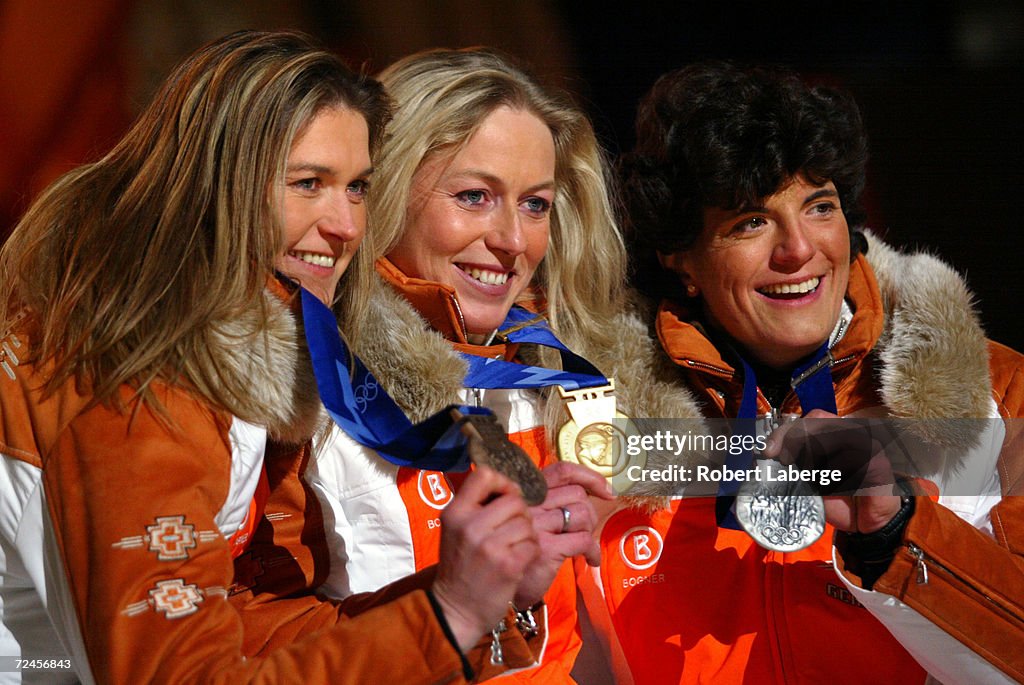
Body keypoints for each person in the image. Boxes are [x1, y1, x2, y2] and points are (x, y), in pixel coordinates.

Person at [0, 31, 551, 684]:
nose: (346, 223)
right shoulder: (134, 371)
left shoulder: (240, 354)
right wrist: (447, 615)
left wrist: (481, 601)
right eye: (309, 183)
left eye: (356, 187)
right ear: (218, 185)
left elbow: (243, 621)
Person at [571, 61, 1024, 684]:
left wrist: (893, 536)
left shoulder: (993, 392)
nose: (798, 249)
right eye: (751, 221)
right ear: (682, 259)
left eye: (819, 206)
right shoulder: (592, 418)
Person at [305, 47, 621, 682]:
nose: (512, 240)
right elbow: (255, 641)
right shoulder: (306, 389)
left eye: (535, 204)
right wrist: (457, 604)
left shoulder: (574, 380)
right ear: (387, 191)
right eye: (475, 196)